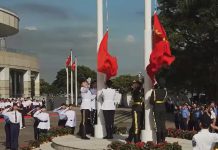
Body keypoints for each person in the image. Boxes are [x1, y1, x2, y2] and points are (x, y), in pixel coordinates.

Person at [150, 78, 167, 144]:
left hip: (156, 108)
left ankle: (159, 140)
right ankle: (163, 139)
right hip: (163, 108)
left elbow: (151, 101)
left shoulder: (155, 91)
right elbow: (165, 100)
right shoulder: (165, 91)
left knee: (158, 124)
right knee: (163, 124)